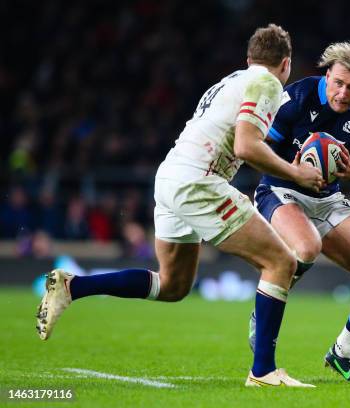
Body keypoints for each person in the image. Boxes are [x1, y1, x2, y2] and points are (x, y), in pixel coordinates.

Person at [36, 24, 323, 388]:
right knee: (280, 262)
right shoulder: (267, 83)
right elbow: (247, 148)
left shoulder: (232, 80)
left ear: (249, 58)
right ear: (286, 63)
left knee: (172, 285)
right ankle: (263, 371)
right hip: (198, 182)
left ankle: (72, 287)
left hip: (171, 176)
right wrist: (296, 173)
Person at [249, 41, 350, 381]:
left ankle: (343, 353)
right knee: (306, 247)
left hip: (328, 199)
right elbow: (254, 148)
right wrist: (293, 168)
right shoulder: (295, 98)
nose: (345, 93)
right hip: (280, 189)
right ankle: (265, 307)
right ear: (326, 75)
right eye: (339, 83)